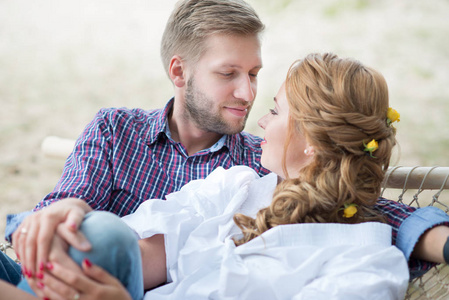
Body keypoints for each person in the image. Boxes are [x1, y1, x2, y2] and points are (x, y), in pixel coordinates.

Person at [3, 0, 449, 295]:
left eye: (254, 75)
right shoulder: (119, 130)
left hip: (99, 271)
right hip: (66, 258)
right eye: (228, 73)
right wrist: (70, 208)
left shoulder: (257, 164)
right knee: (97, 232)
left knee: (103, 236)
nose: (247, 95)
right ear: (180, 73)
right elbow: (70, 202)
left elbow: (354, 200)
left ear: (312, 143)